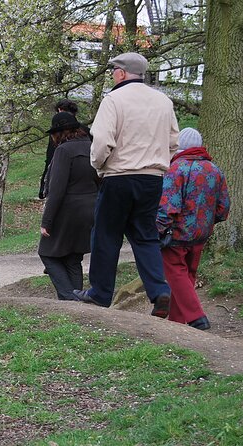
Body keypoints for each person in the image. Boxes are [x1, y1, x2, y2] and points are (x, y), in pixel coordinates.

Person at [73, 52, 180, 319]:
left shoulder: (114, 100)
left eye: (113, 71)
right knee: (146, 237)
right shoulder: (163, 101)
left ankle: (100, 292)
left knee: (106, 235)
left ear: (121, 73)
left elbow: (101, 143)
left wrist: (99, 166)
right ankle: (159, 291)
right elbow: (174, 142)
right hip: (152, 179)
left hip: (119, 176)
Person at [157, 128, 230, 330]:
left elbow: (168, 206)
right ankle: (177, 321)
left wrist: (158, 230)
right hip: (201, 234)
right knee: (188, 274)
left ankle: (197, 317)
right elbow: (223, 207)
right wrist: (208, 222)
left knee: (176, 274)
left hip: (177, 233)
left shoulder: (175, 169)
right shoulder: (215, 169)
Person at [39, 112, 99, 301]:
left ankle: (69, 297)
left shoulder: (63, 151)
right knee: (73, 257)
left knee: (47, 254)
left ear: (59, 133)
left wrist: (47, 221)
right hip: (90, 207)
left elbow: (56, 190)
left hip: (68, 210)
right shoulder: (92, 146)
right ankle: (77, 297)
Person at [39, 99, 91, 199]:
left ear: (60, 110)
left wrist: (43, 185)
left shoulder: (58, 134)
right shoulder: (87, 131)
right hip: (88, 185)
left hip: (66, 184)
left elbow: (51, 159)